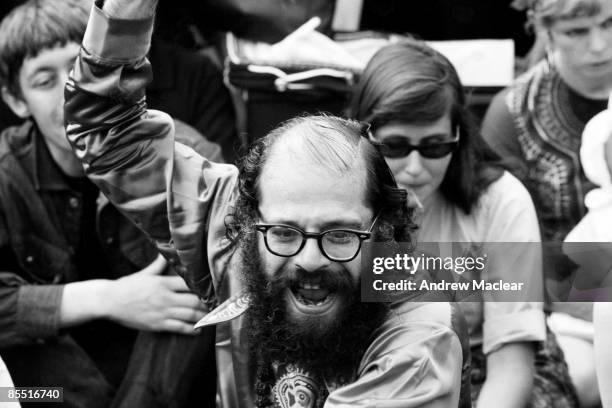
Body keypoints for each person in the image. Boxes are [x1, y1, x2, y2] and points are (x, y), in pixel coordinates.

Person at [64, 0, 472, 406]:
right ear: (246, 221)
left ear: (383, 228)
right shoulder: (239, 238)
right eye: (284, 232)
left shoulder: (421, 327)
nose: (309, 258)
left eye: (341, 234)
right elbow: (107, 130)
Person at [0, 1, 220, 406]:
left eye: (77, 68)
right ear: (16, 101)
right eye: (44, 81)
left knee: (195, 289)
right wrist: (109, 297)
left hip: (165, 374)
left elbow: (230, 260)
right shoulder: (6, 172)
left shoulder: (180, 151)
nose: (68, 91)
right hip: (53, 388)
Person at [348, 39, 581, 407]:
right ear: (363, 137)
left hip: (488, 368)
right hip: (375, 369)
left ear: (458, 137)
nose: (414, 167)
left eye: (435, 146)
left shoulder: (501, 202)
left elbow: (511, 363)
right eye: (394, 146)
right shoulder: (337, 201)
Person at [481, 1, 612, 406]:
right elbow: (509, 253)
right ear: (546, 32)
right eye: (577, 31)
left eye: (609, 24)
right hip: (570, 308)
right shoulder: (512, 115)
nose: (600, 45)